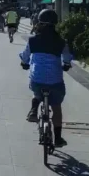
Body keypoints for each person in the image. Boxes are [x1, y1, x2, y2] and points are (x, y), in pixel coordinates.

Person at [19, 9, 73, 148]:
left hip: (37, 80)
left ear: (39, 23)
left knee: (35, 87)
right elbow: (67, 58)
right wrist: (66, 65)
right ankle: (58, 138)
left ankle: (33, 109)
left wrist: (24, 63)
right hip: (55, 82)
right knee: (56, 107)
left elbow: (25, 56)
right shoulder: (61, 42)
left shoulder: (33, 40)